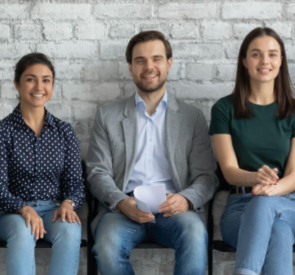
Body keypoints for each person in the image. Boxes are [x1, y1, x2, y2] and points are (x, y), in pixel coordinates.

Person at [86, 30, 218, 275]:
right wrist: (121, 202)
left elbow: (207, 175)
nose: (149, 66)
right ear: (130, 67)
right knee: (107, 245)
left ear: (169, 63)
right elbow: (97, 172)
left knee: (195, 233)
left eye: (156, 59)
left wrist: (186, 199)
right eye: (140, 60)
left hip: (174, 209)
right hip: (123, 209)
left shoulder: (191, 117)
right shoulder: (108, 115)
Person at [210, 27, 295, 275]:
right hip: (239, 210)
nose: (265, 61)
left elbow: (294, 175)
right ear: (244, 61)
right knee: (277, 231)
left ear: (281, 61)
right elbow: (230, 171)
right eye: (256, 54)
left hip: (289, 205)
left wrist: (271, 189)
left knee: (265, 205)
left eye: (272, 54)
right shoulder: (224, 109)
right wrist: (256, 177)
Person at [0, 52, 85, 275]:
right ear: (17, 84)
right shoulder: (3, 131)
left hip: (53, 210)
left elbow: (75, 183)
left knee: (70, 229)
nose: (39, 86)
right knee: (23, 231)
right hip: (11, 215)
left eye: (46, 80)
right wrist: (23, 208)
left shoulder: (64, 132)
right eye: (31, 79)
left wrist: (68, 203)